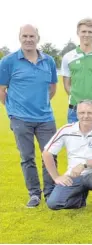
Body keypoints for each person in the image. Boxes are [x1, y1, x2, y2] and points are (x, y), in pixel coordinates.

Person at [0, 24, 58, 207]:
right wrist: (13, 111)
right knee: (27, 157)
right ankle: (34, 194)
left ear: (37, 38)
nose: (28, 39)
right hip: (20, 119)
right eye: (25, 36)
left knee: (50, 154)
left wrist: (40, 104)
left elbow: (52, 88)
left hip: (45, 119)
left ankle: (51, 193)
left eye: (32, 36)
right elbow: (2, 90)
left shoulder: (48, 61)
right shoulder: (8, 62)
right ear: (19, 38)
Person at [42, 100, 92, 219]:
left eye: (90, 113)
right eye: (82, 112)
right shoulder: (66, 130)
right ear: (76, 114)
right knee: (53, 203)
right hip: (73, 176)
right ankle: (80, 199)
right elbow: (47, 153)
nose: (86, 116)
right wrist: (56, 177)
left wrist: (85, 164)